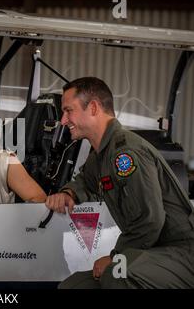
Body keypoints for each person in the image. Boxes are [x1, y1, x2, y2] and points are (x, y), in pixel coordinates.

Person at [46, 77, 194, 288]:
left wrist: (116, 256)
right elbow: (87, 181)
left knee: (117, 274)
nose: (63, 120)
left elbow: (150, 220)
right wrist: (69, 193)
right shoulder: (100, 155)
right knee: (73, 286)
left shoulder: (125, 153)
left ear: (94, 107)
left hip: (181, 253)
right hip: (150, 252)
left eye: (69, 110)